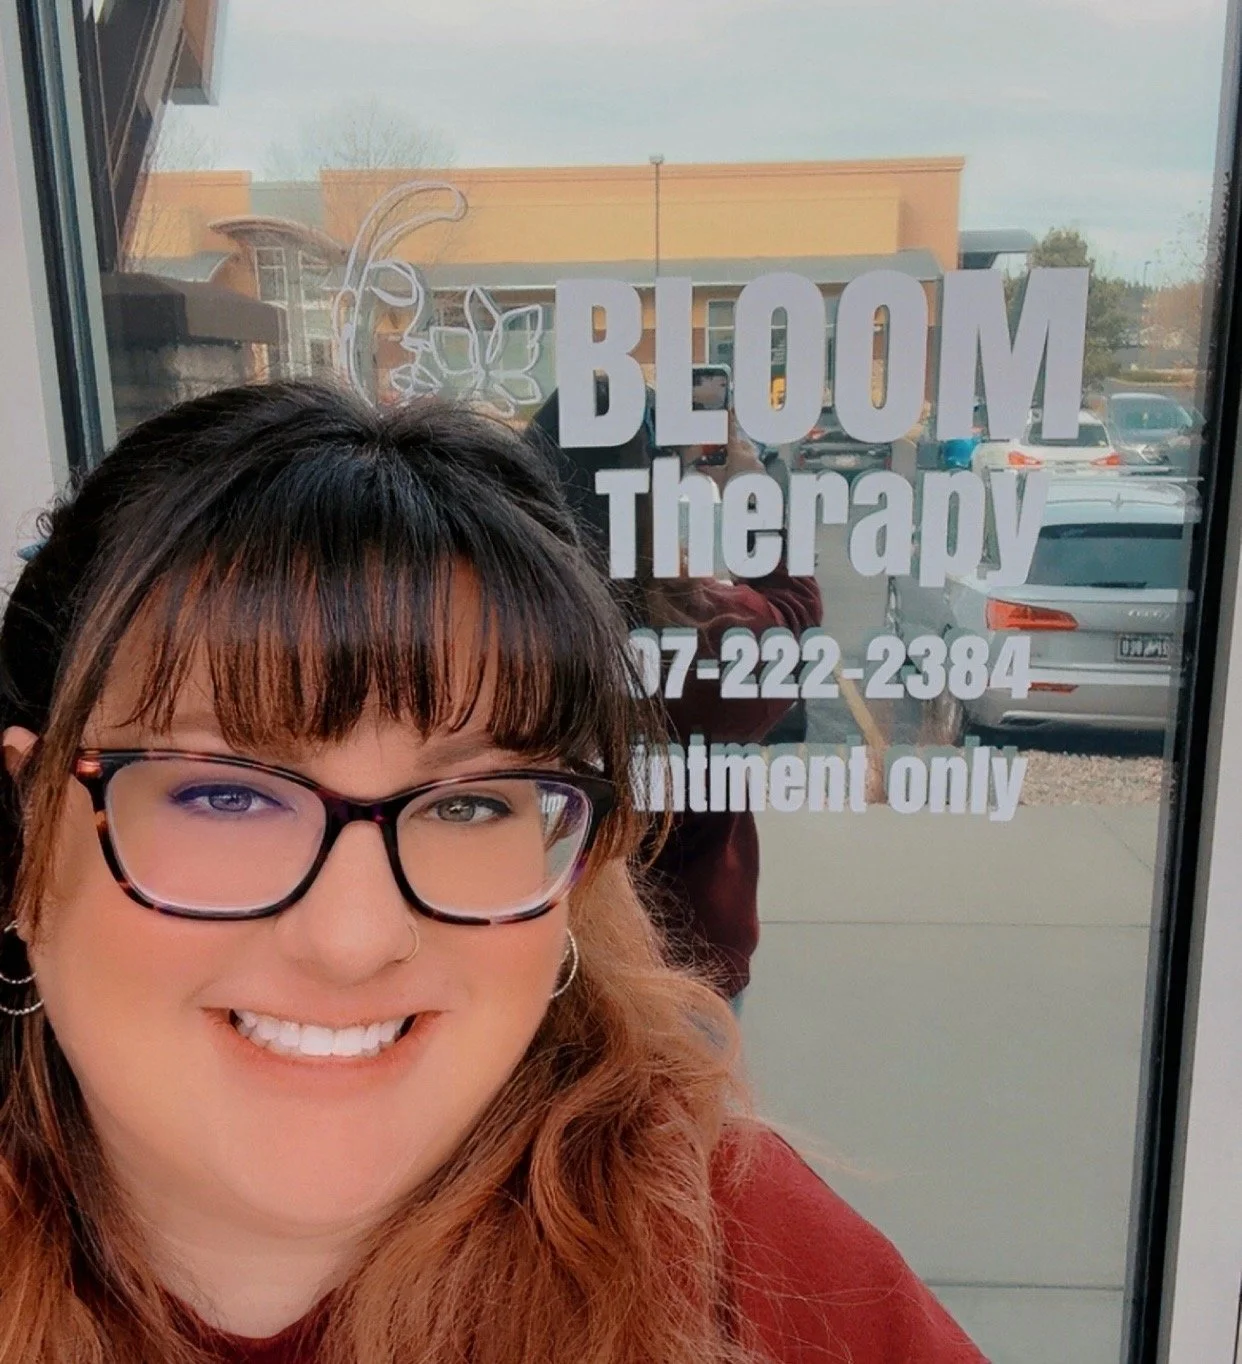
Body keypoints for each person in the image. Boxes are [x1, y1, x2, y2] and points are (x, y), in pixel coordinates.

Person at [0, 381, 985, 1363]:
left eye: (470, 803)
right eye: (226, 794)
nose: (355, 938)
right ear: (31, 819)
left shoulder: (749, 1265)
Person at [527, 388, 823, 1008]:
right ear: (658, 499)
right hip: (690, 961)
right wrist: (751, 493)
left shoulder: (505, 632)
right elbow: (796, 618)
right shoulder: (705, 635)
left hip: (542, 953)